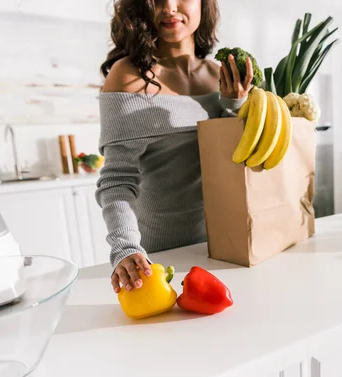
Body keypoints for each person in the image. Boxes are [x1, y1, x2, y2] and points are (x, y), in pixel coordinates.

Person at [96, 0, 252, 294]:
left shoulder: (220, 74)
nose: (168, 7)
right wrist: (125, 247)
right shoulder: (128, 76)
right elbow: (117, 181)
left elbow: (234, 159)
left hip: (232, 247)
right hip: (163, 259)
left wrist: (233, 105)